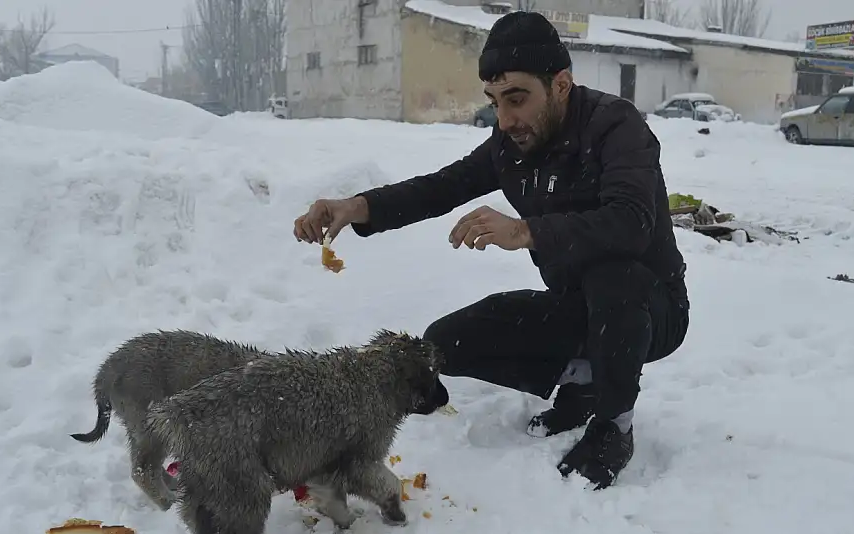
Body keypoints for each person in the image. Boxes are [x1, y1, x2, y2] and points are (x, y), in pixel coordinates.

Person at [293, 10, 690, 489]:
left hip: (651, 310)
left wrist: (527, 231)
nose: (505, 119)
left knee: (613, 277)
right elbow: (440, 187)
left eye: (517, 99)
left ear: (561, 84)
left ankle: (614, 422)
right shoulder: (511, 145)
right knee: (444, 342)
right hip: (578, 308)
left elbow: (631, 224)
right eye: (495, 101)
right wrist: (355, 207)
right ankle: (585, 380)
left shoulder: (615, 127)